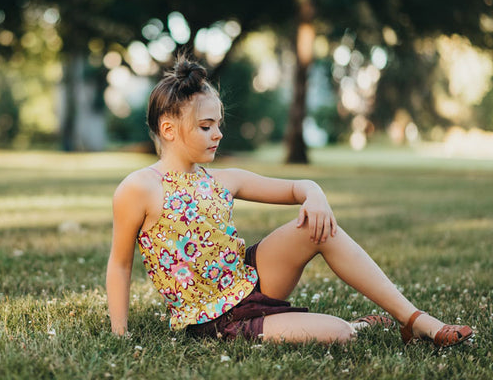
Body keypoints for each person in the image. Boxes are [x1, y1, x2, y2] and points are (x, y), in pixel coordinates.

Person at [106, 57, 474, 347]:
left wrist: (315, 195)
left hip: (250, 279)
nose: (218, 133)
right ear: (168, 129)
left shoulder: (223, 179)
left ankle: (415, 321)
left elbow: (299, 186)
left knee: (316, 228)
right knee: (341, 335)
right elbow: (120, 265)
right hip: (215, 318)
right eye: (206, 127)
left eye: (219, 123)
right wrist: (120, 335)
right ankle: (357, 325)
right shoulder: (139, 188)